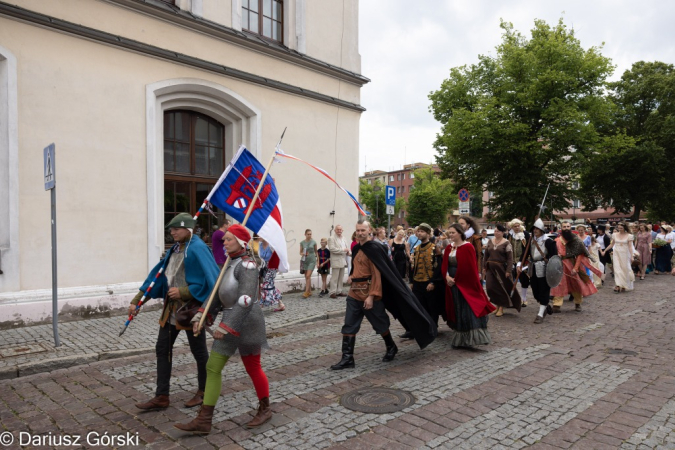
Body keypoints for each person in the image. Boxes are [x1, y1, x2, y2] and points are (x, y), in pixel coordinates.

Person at [175, 225, 272, 433]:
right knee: (213, 367)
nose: (224, 242)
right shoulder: (229, 263)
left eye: (228, 239)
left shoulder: (247, 266)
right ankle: (204, 419)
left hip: (247, 321)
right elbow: (217, 294)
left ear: (241, 242)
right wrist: (202, 315)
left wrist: (227, 326)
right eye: (224, 239)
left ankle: (265, 409)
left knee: (253, 367)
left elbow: (245, 300)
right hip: (230, 319)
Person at [131, 213, 219, 412]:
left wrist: (185, 291)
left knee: (199, 352)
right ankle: (162, 396)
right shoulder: (176, 249)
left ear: (187, 229)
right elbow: (159, 277)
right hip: (170, 312)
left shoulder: (198, 248)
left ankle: (204, 391)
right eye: (170, 230)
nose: (171, 233)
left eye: (175, 229)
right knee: (162, 350)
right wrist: (138, 300)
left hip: (190, 312)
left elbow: (211, 280)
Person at [331, 220, 436, 370]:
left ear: (369, 231)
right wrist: (352, 276)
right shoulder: (356, 248)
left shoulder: (375, 248)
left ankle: (391, 346)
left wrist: (372, 296)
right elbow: (356, 267)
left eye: (363, 230)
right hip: (354, 293)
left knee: (380, 324)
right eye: (358, 230)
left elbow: (377, 274)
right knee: (349, 324)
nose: (360, 233)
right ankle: (347, 358)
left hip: (370, 293)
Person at [442, 224, 495, 347]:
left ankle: (473, 338)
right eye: (449, 233)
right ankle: (460, 339)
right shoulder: (449, 247)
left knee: (468, 309)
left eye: (453, 233)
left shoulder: (468, 247)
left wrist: (457, 279)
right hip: (452, 284)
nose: (450, 235)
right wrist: (447, 277)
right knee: (458, 309)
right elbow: (444, 266)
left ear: (460, 233)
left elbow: (470, 267)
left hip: (465, 284)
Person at [550, 221, 602, 312]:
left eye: (568, 226)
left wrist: (576, 268)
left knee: (576, 284)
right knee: (559, 284)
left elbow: (580, 255)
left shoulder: (576, 240)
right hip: (560, 265)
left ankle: (578, 303)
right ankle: (556, 304)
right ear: (561, 228)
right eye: (564, 226)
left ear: (571, 228)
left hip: (572, 263)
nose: (566, 228)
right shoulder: (557, 240)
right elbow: (552, 253)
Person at [401, 223, 440, 339]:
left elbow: (438, 268)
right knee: (417, 307)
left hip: (429, 282)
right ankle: (416, 330)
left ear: (428, 233)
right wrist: (412, 282)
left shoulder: (434, 248)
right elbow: (413, 266)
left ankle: (433, 328)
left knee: (431, 307)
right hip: (417, 282)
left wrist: (433, 282)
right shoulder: (416, 249)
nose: (419, 233)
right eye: (418, 231)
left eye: (422, 231)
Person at [483, 225, 521, 317]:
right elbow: (486, 256)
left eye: (498, 231)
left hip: (501, 268)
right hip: (490, 268)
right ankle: (496, 304)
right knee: (490, 287)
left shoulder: (506, 243)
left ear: (502, 232)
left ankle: (501, 307)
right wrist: (484, 267)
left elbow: (510, 258)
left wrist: (508, 270)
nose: (496, 232)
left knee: (501, 287)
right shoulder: (490, 241)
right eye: (495, 231)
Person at [527, 219, 558, 323]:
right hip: (533, 267)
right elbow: (525, 253)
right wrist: (519, 264)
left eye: (537, 229)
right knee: (536, 292)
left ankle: (540, 314)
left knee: (544, 290)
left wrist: (551, 268)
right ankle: (545, 306)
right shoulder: (531, 241)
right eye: (534, 228)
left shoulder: (549, 241)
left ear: (542, 230)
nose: (535, 230)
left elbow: (554, 257)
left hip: (545, 268)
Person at [601, 222, 635, 293]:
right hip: (616, 253)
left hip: (625, 254)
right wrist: (605, 250)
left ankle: (624, 284)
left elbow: (630, 247)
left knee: (625, 269)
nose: (620, 229)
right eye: (619, 228)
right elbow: (612, 244)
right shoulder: (615, 235)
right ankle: (618, 285)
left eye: (621, 228)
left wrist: (632, 256)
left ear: (625, 228)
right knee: (617, 269)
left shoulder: (629, 236)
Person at [508, 219, 531, 307]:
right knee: (511, 279)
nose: (517, 228)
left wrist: (521, 261)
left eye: (518, 226)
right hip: (512, 260)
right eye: (515, 226)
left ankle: (523, 299)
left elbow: (527, 249)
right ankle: (512, 298)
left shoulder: (525, 234)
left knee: (524, 280)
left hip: (523, 261)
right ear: (512, 227)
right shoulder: (510, 235)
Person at [258, 238, 285, 312]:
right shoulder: (260, 245)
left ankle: (261, 304)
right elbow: (259, 257)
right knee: (270, 285)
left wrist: (279, 267)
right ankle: (280, 303)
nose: (258, 237)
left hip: (272, 267)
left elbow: (278, 256)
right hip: (264, 267)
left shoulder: (271, 245)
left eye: (260, 235)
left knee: (266, 284)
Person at [328, 225, 350, 298]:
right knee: (335, 278)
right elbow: (332, 249)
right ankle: (332, 292)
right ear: (335, 230)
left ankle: (339, 291)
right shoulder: (331, 238)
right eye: (338, 229)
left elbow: (346, 248)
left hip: (343, 260)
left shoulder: (344, 238)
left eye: (340, 229)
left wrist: (348, 252)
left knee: (341, 277)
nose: (339, 231)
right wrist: (343, 250)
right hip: (336, 260)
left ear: (342, 230)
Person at [300, 229, 317, 298]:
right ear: (305, 234)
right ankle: (309, 291)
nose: (309, 235)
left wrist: (318, 260)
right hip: (305, 260)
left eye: (310, 234)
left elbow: (316, 252)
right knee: (306, 276)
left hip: (312, 260)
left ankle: (306, 292)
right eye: (308, 234)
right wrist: (303, 254)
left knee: (308, 275)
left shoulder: (314, 242)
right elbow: (300, 252)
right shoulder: (302, 243)